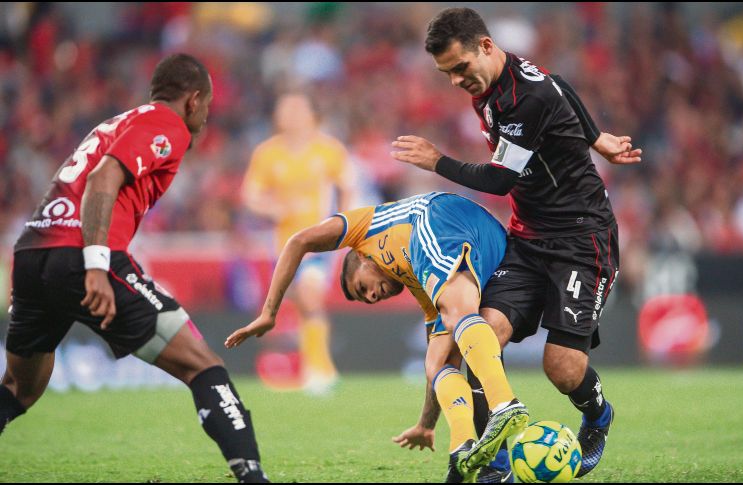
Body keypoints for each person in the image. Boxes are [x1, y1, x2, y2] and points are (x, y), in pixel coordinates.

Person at [391, 7, 642, 479]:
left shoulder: (525, 97)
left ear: (485, 46)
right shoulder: (501, 78)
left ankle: (598, 415)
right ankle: (495, 465)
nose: (455, 81)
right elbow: (561, 83)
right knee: (481, 335)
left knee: (563, 369)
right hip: (527, 238)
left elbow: (501, 179)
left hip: (581, 238)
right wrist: (597, 137)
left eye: (460, 68)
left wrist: (436, 161)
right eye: (446, 74)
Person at [0, 54, 269, 483]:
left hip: (33, 253)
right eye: (208, 106)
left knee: (20, 388)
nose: (205, 116)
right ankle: (253, 477)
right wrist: (95, 266)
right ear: (194, 100)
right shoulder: (167, 124)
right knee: (202, 365)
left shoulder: (120, 122)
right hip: (82, 253)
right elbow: (103, 178)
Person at [225, 192, 529, 483]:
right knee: (437, 361)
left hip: (437, 216)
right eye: (368, 299)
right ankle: (461, 448)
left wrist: (269, 313)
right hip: (492, 244)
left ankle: (504, 403)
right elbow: (436, 366)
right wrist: (425, 425)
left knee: (456, 313)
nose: (372, 296)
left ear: (361, 259)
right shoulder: (423, 283)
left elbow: (298, 241)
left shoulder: (364, 229)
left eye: (362, 287)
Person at [241, 93, 353, 394]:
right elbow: (251, 195)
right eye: (285, 109)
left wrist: (344, 226)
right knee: (303, 303)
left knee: (309, 294)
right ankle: (318, 367)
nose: (291, 115)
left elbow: (347, 186)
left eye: (297, 109)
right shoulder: (267, 153)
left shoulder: (329, 150)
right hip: (284, 244)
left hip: (320, 239)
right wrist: (272, 208)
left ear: (310, 114)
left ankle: (319, 371)